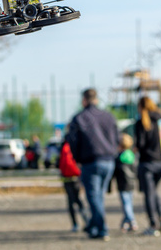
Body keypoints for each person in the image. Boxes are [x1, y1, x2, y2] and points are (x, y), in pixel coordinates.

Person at [66, 88, 119, 241]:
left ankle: (102, 229)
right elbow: (117, 137)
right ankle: (94, 227)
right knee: (98, 196)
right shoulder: (108, 116)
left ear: (84, 100)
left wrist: (77, 159)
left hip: (91, 162)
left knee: (93, 197)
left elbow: (73, 141)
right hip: (109, 161)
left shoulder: (80, 118)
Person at [134, 96, 161, 237]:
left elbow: (140, 144)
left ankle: (153, 224)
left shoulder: (141, 123)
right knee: (154, 191)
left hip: (147, 164)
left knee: (149, 195)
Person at [58, 136, 89, 232]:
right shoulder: (76, 146)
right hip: (76, 177)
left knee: (71, 201)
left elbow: (62, 163)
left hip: (67, 178)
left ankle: (75, 224)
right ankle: (87, 221)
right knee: (78, 200)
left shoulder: (64, 148)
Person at [114, 133, 138, 233]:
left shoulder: (120, 157)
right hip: (131, 183)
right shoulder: (132, 155)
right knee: (128, 203)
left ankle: (132, 222)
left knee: (126, 205)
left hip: (123, 183)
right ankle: (125, 224)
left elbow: (117, 171)